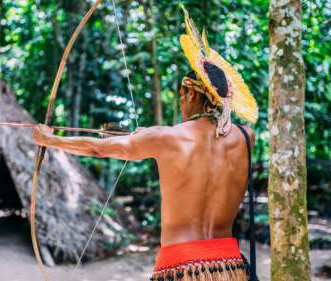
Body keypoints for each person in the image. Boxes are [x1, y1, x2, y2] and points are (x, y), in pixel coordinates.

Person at [32, 9, 258, 281]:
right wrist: (150, 134)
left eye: (181, 95)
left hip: (180, 267)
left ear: (189, 93)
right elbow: (210, 139)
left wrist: (50, 139)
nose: (180, 102)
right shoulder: (246, 137)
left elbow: (97, 148)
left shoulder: (167, 137)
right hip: (229, 267)